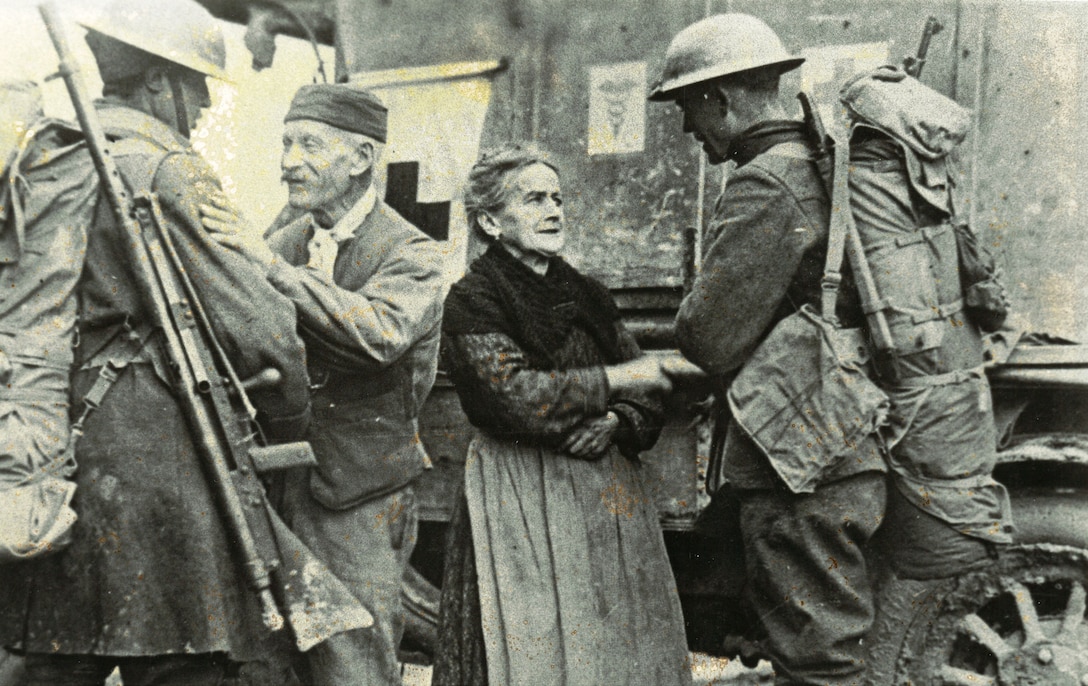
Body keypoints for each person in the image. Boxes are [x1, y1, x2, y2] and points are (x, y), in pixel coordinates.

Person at [649, 13, 1012, 686]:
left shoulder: (768, 181)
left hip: (800, 468)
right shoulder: (831, 167)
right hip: (851, 455)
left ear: (719, 101)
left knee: (817, 666)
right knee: (832, 654)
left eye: (686, 110)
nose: (688, 131)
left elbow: (707, 336)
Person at [0, 0, 313, 684]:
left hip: (55, 457)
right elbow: (265, 333)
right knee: (184, 664)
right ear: (155, 82)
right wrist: (289, 428)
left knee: (51, 660)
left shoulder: (53, 157)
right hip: (165, 472)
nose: (202, 104)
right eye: (197, 83)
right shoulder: (167, 170)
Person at [201, 83, 446, 685]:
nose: (288, 162)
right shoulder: (281, 243)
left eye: (308, 145)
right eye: (285, 144)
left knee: (353, 664)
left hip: (360, 495)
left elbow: (381, 336)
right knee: (272, 662)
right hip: (281, 488)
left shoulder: (412, 253)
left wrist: (270, 272)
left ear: (362, 158)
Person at [430, 144, 691, 686]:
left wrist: (618, 420)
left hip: (604, 497)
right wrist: (614, 384)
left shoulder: (587, 294)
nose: (554, 210)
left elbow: (648, 388)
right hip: (517, 496)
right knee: (526, 647)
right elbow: (512, 398)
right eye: (533, 200)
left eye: (558, 198)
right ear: (490, 222)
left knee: (612, 648)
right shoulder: (473, 299)